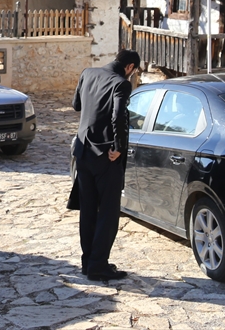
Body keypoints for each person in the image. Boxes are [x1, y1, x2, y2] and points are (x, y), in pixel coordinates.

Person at [72, 48, 139, 281]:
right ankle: (98, 265)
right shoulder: (121, 83)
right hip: (106, 155)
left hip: (82, 152)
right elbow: (118, 115)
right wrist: (119, 147)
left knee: (88, 210)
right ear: (130, 67)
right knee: (109, 213)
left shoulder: (87, 73)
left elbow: (76, 105)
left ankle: (87, 261)